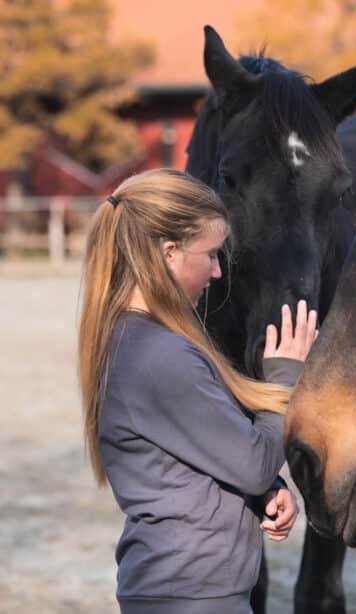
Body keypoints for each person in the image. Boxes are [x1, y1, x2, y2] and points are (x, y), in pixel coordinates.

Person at [77, 168, 317, 614]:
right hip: (191, 597)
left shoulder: (141, 343)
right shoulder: (158, 355)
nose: (217, 270)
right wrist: (286, 375)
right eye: (209, 254)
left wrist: (266, 487)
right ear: (169, 253)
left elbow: (210, 452)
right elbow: (250, 461)